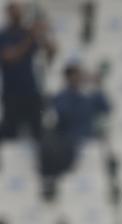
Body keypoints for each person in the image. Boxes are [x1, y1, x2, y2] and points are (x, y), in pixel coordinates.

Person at [0, 1, 55, 141]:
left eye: (19, 11)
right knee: (10, 134)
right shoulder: (4, 34)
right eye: (14, 11)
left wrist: (44, 33)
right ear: (8, 14)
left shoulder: (28, 33)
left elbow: (51, 52)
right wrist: (30, 37)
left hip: (31, 92)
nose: (17, 14)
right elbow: (10, 56)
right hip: (12, 93)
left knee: (37, 132)